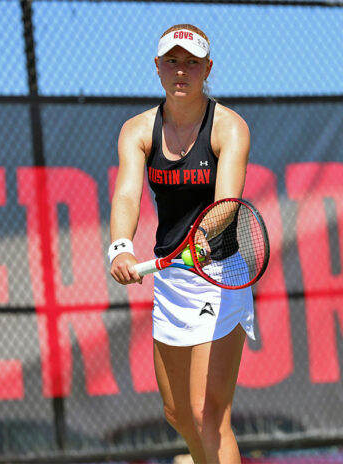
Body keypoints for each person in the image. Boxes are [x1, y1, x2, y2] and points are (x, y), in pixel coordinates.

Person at [109, 23, 254, 464]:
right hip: (171, 280)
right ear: (157, 67)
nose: (181, 71)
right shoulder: (137, 131)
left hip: (220, 276)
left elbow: (227, 201)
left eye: (192, 62)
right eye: (172, 61)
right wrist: (120, 247)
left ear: (208, 68)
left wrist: (204, 238)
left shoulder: (229, 128)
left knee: (207, 414)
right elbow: (128, 194)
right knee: (178, 415)